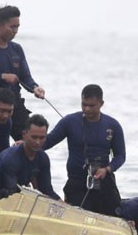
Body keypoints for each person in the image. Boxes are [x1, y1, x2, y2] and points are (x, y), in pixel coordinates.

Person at [44, 84, 125, 216]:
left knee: (114, 215)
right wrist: (26, 143)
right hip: (76, 182)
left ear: (101, 103)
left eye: (92, 106)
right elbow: (47, 142)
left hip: (104, 181)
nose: (87, 109)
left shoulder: (113, 125)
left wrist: (108, 169)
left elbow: (121, 156)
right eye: (83, 105)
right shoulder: (69, 121)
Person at [0, 4, 45, 141]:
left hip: (16, 104)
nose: (15, 31)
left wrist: (35, 88)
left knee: (30, 141)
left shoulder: (17, 49)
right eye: (12, 27)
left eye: (17, 27)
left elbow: (25, 77)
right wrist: (2, 77)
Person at [0, 114, 60, 200]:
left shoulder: (43, 158)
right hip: (0, 196)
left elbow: (47, 191)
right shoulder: (11, 158)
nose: (38, 142)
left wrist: (68, 208)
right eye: (34, 137)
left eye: (42, 138)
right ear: (24, 134)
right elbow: (11, 194)